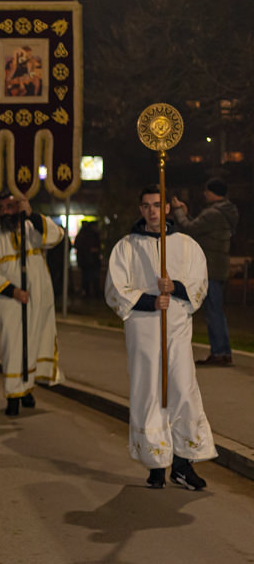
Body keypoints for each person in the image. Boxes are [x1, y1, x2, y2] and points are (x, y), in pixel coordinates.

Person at [105, 185, 216, 490]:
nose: (152, 211)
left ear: (167, 208)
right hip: (143, 330)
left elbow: (199, 283)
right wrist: (150, 301)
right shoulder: (127, 247)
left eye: (157, 205)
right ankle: (156, 463)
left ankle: (182, 464)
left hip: (177, 329)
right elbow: (115, 289)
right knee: (150, 393)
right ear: (140, 210)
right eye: (146, 206)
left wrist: (176, 287)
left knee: (181, 389)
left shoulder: (186, 245)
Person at [0, 193, 65, 416]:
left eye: (10, 206)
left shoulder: (32, 229)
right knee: (14, 347)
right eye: (1, 207)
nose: (5, 211)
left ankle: (26, 390)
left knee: (33, 343)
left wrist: (31, 214)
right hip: (11, 302)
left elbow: (56, 235)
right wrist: (12, 291)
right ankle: (13, 396)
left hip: (38, 299)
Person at [171, 178, 239, 366]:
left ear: (213, 192)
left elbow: (190, 229)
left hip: (210, 268)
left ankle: (219, 353)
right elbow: (202, 230)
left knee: (213, 311)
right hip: (218, 266)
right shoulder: (226, 211)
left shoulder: (214, 213)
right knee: (215, 310)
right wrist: (187, 214)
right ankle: (223, 352)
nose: (204, 194)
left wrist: (178, 211)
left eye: (206, 191)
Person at [73, 220, 102, 298]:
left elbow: (76, 245)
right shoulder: (93, 234)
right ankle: (94, 293)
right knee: (93, 278)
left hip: (86, 261)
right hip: (91, 260)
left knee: (87, 278)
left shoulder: (82, 234)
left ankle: (87, 292)